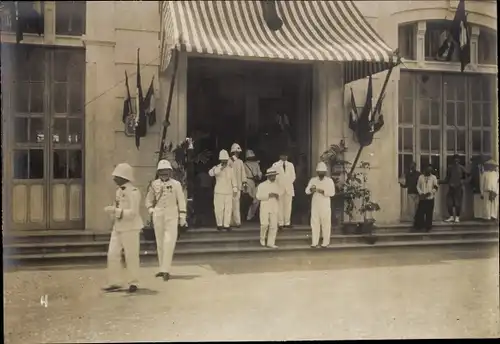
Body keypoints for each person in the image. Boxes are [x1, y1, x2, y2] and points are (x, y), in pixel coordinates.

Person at [103, 163, 143, 293]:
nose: (114, 178)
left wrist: (116, 211)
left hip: (130, 228)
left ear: (124, 177)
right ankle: (114, 281)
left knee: (131, 255)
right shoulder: (119, 191)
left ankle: (134, 282)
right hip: (118, 227)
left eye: (117, 176)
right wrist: (113, 213)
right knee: (112, 254)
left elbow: (133, 213)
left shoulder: (134, 192)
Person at [145, 160, 187, 282]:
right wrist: (151, 210)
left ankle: (166, 270)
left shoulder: (176, 184)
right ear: (158, 172)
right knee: (160, 242)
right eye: (162, 172)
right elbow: (148, 200)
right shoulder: (154, 184)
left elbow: (181, 201)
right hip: (158, 215)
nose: (164, 174)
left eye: (166, 171)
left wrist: (182, 216)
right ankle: (162, 268)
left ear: (170, 172)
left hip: (172, 215)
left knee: (169, 242)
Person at [305, 162, 336, 248]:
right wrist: (311, 189)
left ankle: (325, 242)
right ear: (317, 172)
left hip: (325, 204)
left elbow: (332, 193)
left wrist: (322, 191)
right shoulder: (313, 180)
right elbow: (307, 191)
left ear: (325, 172)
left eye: (322, 172)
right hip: (315, 204)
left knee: (326, 223)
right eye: (319, 172)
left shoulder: (329, 181)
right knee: (314, 223)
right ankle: (314, 242)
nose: (321, 173)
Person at [209, 149, 238, 231]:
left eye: (226, 160)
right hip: (219, 191)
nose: (225, 162)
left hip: (229, 191)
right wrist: (221, 167)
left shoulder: (230, 169)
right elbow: (211, 173)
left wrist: (235, 189)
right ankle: (219, 224)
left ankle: (226, 225)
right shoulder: (216, 168)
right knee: (219, 208)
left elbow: (234, 179)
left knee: (228, 209)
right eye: (223, 160)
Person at [256, 167, 281, 248]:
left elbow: (280, 194)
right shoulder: (262, 185)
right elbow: (258, 196)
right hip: (265, 206)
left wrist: (277, 196)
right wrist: (268, 195)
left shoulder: (277, 185)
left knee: (273, 225)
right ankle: (262, 238)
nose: (274, 177)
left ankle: (271, 242)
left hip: (274, 206)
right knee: (264, 224)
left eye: (274, 175)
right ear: (269, 176)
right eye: (272, 176)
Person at [272, 150, 296, 229]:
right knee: (279, 206)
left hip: (288, 188)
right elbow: (273, 176)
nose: (285, 157)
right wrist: (279, 184)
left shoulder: (290, 165)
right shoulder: (275, 165)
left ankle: (287, 222)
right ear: (280, 156)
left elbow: (293, 176)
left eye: (286, 155)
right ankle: (280, 223)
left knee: (288, 206)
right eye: (283, 155)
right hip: (279, 188)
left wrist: (288, 182)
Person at [443, 155, 468, 223]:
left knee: (458, 203)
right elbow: (447, 177)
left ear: (459, 160)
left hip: (458, 187)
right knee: (449, 203)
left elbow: (468, 175)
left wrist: (464, 181)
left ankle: (457, 217)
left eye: (457, 160)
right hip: (451, 187)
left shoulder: (461, 167)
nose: (456, 161)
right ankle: (451, 216)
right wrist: (440, 181)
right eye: (455, 160)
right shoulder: (450, 167)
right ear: (453, 160)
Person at [414, 165, 439, 232]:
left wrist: (430, 193)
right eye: (428, 170)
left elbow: (436, 187)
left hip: (430, 198)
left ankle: (428, 227)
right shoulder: (421, 177)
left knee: (429, 213)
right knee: (421, 212)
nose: (429, 171)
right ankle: (420, 226)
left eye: (430, 170)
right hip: (422, 198)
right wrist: (421, 193)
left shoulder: (433, 177)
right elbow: (418, 186)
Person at [228, 143, 247, 228]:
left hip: (238, 186)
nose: (237, 153)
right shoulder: (229, 161)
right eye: (236, 152)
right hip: (229, 186)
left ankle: (237, 221)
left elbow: (243, 173)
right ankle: (230, 221)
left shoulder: (240, 162)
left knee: (236, 204)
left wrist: (244, 183)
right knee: (229, 204)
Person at [243, 149, 263, 221]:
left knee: (256, 199)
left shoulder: (256, 164)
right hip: (247, 182)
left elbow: (259, 173)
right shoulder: (244, 164)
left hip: (255, 182)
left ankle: (250, 215)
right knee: (248, 199)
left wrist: (258, 177)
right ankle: (247, 216)